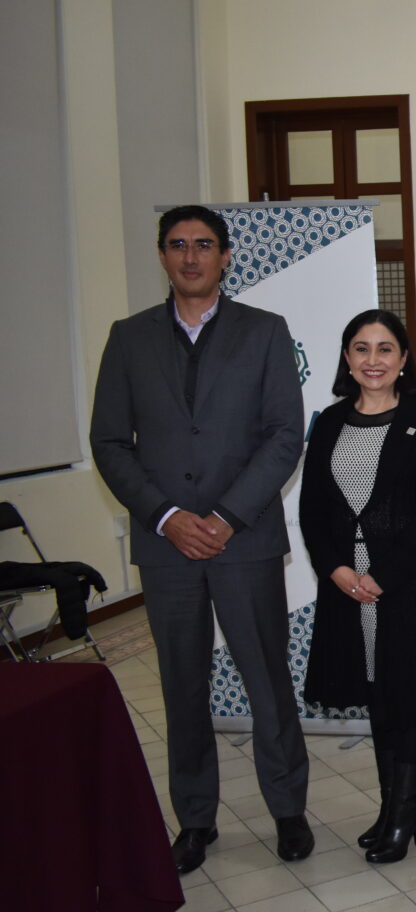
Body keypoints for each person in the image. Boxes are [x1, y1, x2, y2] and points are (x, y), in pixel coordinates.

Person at [90, 204, 312, 873]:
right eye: (178, 244)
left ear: (225, 256)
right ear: (162, 255)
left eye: (204, 245)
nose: (191, 256)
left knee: (267, 679)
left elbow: (285, 435)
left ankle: (288, 809)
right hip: (167, 547)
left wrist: (225, 517)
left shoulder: (264, 331)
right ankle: (194, 819)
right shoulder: (128, 338)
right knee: (181, 685)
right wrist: (166, 517)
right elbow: (109, 441)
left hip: (243, 540)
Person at [299, 310, 416, 863]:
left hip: (404, 587)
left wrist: (382, 577)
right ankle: (392, 806)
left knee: (408, 696)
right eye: (361, 348)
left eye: (384, 349)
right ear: (347, 358)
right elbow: (311, 511)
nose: (372, 360)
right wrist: (336, 570)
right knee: (376, 695)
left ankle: (404, 810)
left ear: (403, 359)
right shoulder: (329, 422)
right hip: (345, 589)